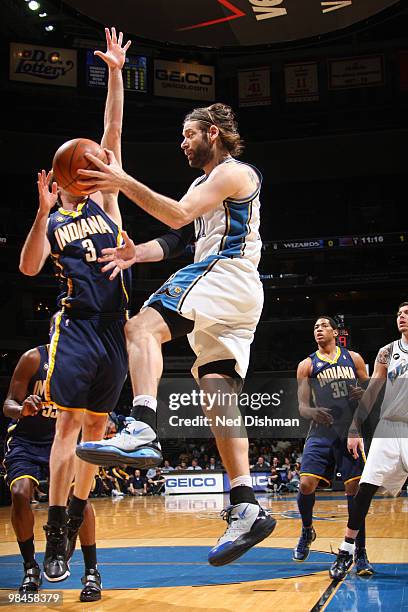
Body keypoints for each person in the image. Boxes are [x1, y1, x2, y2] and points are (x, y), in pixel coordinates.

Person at [76, 102, 276, 565]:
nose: (182, 143)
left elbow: (178, 217)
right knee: (217, 392)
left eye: (188, 134)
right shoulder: (204, 186)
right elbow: (178, 240)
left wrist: (122, 181)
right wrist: (136, 254)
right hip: (238, 292)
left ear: (211, 132)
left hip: (224, 271)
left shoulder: (233, 172)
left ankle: (143, 424)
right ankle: (246, 503)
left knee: (140, 326)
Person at [18, 28, 132, 583]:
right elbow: (28, 268)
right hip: (78, 327)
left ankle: (76, 515)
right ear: (64, 177)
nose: (90, 167)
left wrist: (114, 73)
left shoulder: (107, 196)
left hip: (116, 326)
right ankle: (57, 525)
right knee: (68, 426)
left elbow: (111, 130)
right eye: (81, 167)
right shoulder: (58, 218)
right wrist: (41, 213)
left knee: (98, 431)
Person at [2, 341, 101, 602]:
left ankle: (92, 572)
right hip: (27, 441)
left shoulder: (84, 360)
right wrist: (21, 409)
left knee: (79, 498)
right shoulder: (33, 358)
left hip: (65, 440)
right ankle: (30, 568)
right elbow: (8, 403)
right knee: (20, 493)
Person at [330, 302, 408, 579]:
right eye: (399, 313)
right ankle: (346, 550)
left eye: (407, 313)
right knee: (365, 489)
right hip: (389, 427)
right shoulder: (387, 352)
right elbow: (372, 391)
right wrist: (354, 428)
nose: (402, 317)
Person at [293, 316, 373, 576]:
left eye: (323, 326)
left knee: (355, 489)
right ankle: (307, 529)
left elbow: (371, 388)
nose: (318, 329)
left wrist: (365, 393)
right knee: (305, 484)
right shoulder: (307, 364)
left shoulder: (354, 358)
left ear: (336, 332)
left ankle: (359, 552)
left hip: (349, 431)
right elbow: (302, 406)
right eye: (315, 327)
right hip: (321, 431)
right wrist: (312, 411)